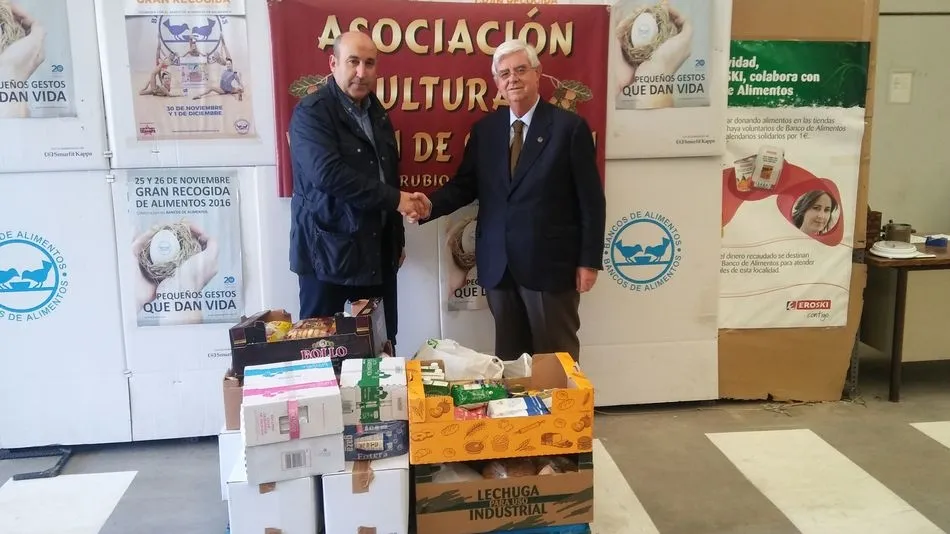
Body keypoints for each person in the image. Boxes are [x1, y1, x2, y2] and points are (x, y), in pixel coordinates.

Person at [407, 39, 606, 362]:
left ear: (537, 74)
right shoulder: (486, 131)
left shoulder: (569, 128)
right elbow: (465, 185)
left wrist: (589, 261)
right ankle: (519, 413)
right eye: (504, 74)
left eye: (520, 70)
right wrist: (429, 205)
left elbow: (591, 201)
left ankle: (562, 413)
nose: (512, 79)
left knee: (555, 356)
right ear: (497, 83)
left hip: (551, 265)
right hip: (499, 266)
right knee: (511, 358)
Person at [288, 31, 424, 350]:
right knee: (323, 353)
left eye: (369, 63)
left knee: (380, 350)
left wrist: (397, 238)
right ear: (334, 63)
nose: (362, 72)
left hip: (376, 254)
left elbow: (389, 175)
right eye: (353, 62)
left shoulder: (377, 114)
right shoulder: (311, 113)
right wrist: (398, 200)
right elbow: (329, 175)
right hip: (326, 257)